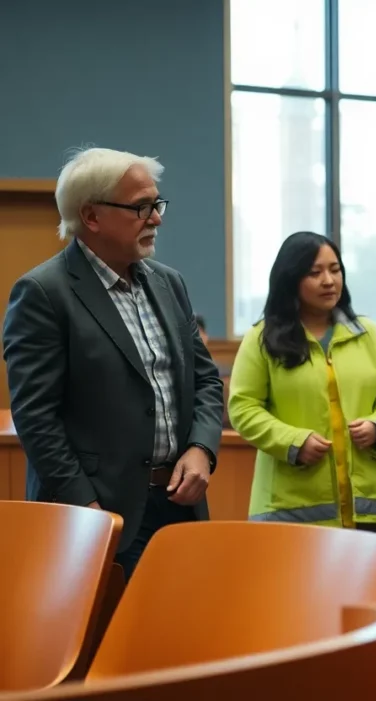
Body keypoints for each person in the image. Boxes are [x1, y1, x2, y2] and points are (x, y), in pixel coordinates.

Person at [2, 147, 223, 579]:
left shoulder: (168, 283)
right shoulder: (43, 293)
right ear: (92, 216)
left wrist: (201, 450)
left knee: (182, 637)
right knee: (106, 643)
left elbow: (205, 380)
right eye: (141, 207)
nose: (156, 218)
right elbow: (36, 418)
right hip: (97, 515)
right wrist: (87, 508)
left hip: (180, 506)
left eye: (156, 204)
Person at [228, 232, 376, 530]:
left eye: (335, 270)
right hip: (290, 506)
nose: (328, 280)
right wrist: (295, 442)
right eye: (315, 273)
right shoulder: (262, 338)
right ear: (291, 279)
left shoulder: (367, 334)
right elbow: (243, 409)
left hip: (362, 504)